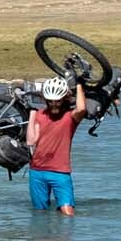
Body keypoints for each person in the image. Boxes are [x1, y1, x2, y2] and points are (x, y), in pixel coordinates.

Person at [24, 75, 86, 215]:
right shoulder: (39, 114)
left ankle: (66, 236)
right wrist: (32, 115)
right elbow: (31, 141)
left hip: (60, 172)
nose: (54, 104)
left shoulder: (70, 117)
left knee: (67, 211)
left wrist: (78, 85)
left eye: (57, 101)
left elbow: (81, 109)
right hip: (37, 171)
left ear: (63, 99)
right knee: (40, 213)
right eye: (50, 101)